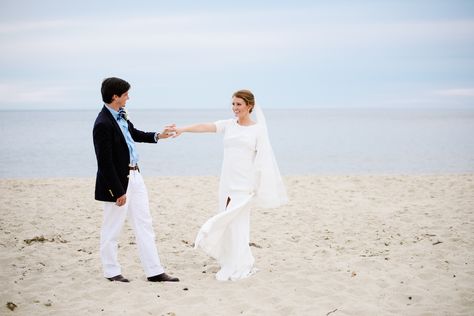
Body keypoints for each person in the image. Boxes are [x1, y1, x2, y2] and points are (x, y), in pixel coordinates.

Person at [174, 89, 288, 281]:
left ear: (249, 106)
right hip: (227, 181)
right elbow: (205, 126)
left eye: (239, 104)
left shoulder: (258, 130)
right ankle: (229, 259)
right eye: (233, 104)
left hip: (245, 184)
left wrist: (258, 185)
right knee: (228, 222)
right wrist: (182, 129)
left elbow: (263, 160)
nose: (235, 108)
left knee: (238, 223)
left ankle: (240, 262)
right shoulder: (228, 125)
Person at [93, 77, 179, 283]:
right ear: (115, 96)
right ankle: (111, 272)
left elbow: (135, 134)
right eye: (125, 95)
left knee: (144, 223)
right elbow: (104, 163)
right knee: (112, 227)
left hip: (136, 176)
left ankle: (154, 271)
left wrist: (160, 135)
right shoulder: (102, 123)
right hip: (117, 183)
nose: (128, 98)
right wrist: (117, 191)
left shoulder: (120, 116)